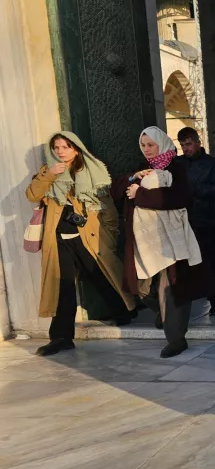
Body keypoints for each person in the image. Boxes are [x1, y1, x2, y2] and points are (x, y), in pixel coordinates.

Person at [26, 132, 135, 356]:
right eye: (56, 148)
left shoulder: (90, 172)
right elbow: (31, 194)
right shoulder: (48, 173)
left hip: (88, 237)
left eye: (66, 147)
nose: (60, 152)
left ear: (76, 149)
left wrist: (110, 237)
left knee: (100, 274)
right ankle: (61, 337)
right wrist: (48, 175)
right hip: (58, 240)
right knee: (63, 288)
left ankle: (125, 310)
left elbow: (108, 210)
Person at [115, 127, 211, 358]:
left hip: (172, 238)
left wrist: (140, 195)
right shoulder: (141, 167)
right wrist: (132, 178)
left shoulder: (177, 166)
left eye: (151, 145)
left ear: (161, 144)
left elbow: (179, 197)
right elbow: (117, 190)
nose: (147, 150)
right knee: (141, 286)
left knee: (171, 288)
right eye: (144, 145)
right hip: (144, 239)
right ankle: (165, 315)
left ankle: (176, 339)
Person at [176, 127, 215, 316]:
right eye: (182, 145)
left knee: (211, 262)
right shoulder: (179, 164)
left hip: (208, 222)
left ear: (198, 143)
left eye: (188, 144)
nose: (185, 148)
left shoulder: (213, 164)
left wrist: (195, 190)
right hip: (184, 222)